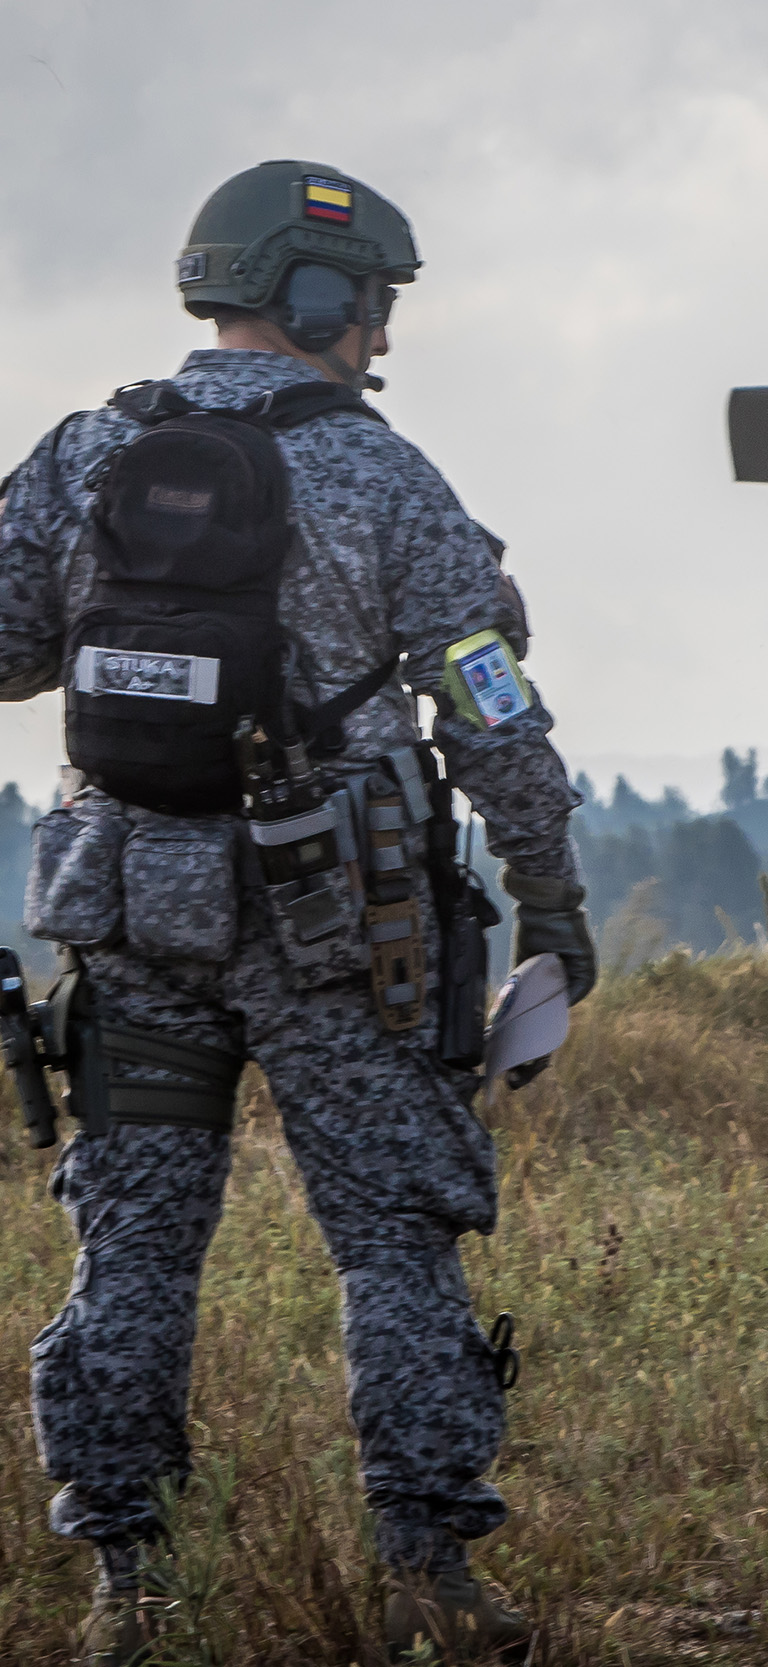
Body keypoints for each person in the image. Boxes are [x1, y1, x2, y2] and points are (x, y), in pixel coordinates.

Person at [0, 160, 596, 1665]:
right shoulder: (382, 477)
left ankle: (129, 1592)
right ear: (317, 296)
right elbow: (489, 704)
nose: (381, 340)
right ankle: (431, 1583)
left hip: (127, 912)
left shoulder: (81, 455)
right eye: (374, 306)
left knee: (130, 1253)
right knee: (393, 1242)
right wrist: (548, 892)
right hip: (346, 933)